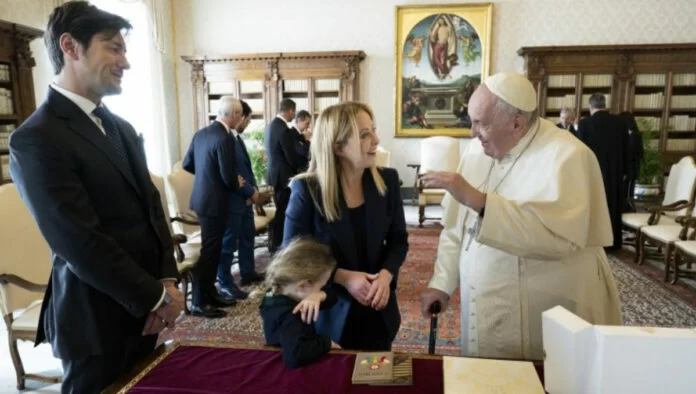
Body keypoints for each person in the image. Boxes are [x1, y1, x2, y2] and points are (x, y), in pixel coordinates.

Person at [8, 2, 184, 392]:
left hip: (146, 308)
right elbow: (78, 240)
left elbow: (152, 210)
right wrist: (155, 296)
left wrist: (167, 280)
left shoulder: (119, 127)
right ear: (71, 47)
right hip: (95, 317)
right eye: (113, 48)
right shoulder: (37, 138)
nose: (126, 61)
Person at [419, 71, 622, 361]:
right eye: (471, 121)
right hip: (485, 305)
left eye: (481, 123)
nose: (471, 133)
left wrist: (478, 200)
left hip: (544, 309)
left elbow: (557, 239)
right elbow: (456, 229)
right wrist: (441, 282)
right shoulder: (478, 152)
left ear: (516, 123)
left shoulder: (568, 156)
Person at [283, 102, 409, 351]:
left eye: (373, 130)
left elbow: (398, 241)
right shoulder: (307, 191)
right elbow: (291, 259)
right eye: (364, 135)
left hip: (378, 310)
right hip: (329, 313)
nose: (376, 139)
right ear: (338, 147)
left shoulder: (388, 181)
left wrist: (385, 275)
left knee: (375, 381)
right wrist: (343, 277)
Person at [183, 96, 244, 318]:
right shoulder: (225, 138)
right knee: (210, 251)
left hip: (202, 199)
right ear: (234, 115)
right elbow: (228, 178)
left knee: (213, 249)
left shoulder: (201, 133)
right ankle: (199, 302)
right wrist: (235, 181)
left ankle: (209, 293)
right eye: (239, 115)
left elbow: (187, 164)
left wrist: (206, 177)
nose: (240, 119)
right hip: (215, 202)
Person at [258, 237, 341, 368]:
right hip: (293, 366)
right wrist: (326, 343)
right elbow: (295, 356)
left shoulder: (275, 291)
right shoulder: (292, 315)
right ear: (303, 285)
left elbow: (333, 297)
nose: (323, 289)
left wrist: (319, 295)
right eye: (321, 286)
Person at [217, 100, 264, 298]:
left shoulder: (236, 138)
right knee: (228, 244)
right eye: (248, 119)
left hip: (245, 197)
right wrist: (248, 192)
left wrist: (253, 191)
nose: (248, 124)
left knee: (247, 237)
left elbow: (246, 169)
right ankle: (225, 282)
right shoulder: (224, 139)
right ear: (240, 117)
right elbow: (232, 173)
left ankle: (247, 272)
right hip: (235, 199)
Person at [576, 93, 629, 250]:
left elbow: (579, 151)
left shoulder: (585, 124)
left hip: (592, 174)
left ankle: (595, 242)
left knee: (595, 206)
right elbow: (627, 149)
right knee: (613, 205)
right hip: (615, 174)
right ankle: (613, 242)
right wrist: (625, 171)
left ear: (590, 107)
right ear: (605, 105)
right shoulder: (620, 123)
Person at [265, 98, 305, 253]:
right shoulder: (283, 129)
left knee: (281, 210)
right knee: (284, 212)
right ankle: (279, 246)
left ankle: (276, 245)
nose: (293, 116)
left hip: (275, 176)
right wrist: (301, 170)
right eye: (293, 113)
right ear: (290, 111)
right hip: (285, 177)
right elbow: (291, 156)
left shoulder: (270, 126)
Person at [618, 111, 644, 210]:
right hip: (626, 170)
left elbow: (633, 154)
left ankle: (630, 212)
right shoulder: (626, 134)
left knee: (628, 195)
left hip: (630, 171)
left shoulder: (635, 135)